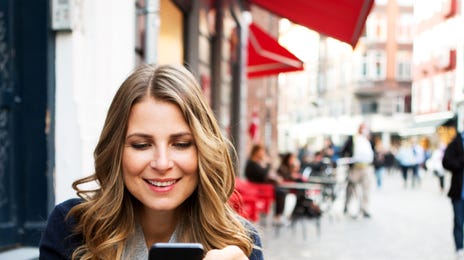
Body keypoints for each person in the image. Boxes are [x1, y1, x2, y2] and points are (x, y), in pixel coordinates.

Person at [39, 64, 263, 260]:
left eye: (181, 144)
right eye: (141, 145)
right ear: (116, 150)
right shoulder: (71, 228)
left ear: (203, 149)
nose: (162, 163)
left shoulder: (240, 241)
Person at [244, 144, 286, 225]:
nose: (263, 153)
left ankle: (278, 215)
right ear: (256, 152)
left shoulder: (257, 163)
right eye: (261, 151)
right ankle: (277, 217)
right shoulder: (252, 163)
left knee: (281, 190)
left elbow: (264, 175)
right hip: (258, 189)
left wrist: (275, 179)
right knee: (281, 192)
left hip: (262, 187)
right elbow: (263, 175)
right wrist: (269, 164)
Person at [340, 122, 374, 218]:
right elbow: (344, 151)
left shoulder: (368, 140)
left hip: (366, 168)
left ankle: (364, 209)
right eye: (363, 128)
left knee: (366, 190)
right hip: (355, 168)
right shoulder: (353, 139)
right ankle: (347, 205)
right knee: (351, 189)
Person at [443, 130, 464, 258]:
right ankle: (459, 247)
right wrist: (461, 161)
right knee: (458, 221)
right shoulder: (455, 143)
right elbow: (446, 162)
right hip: (459, 193)